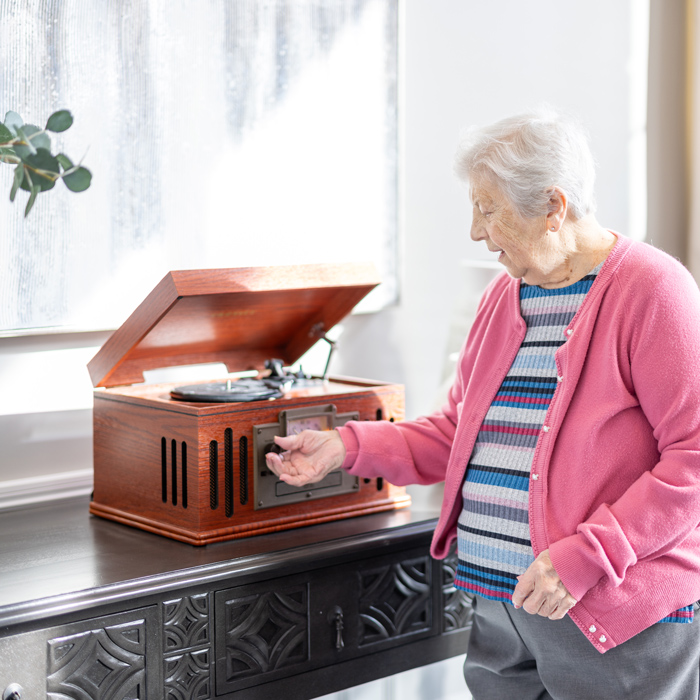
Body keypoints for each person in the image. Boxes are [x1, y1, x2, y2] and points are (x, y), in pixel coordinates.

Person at [266, 107, 700, 700]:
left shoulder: (653, 290)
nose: (476, 231)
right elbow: (457, 434)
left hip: (611, 614)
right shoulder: (503, 298)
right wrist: (345, 446)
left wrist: (586, 557)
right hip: (501, 607)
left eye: (489, 209)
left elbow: (693, 457)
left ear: (554, 206)